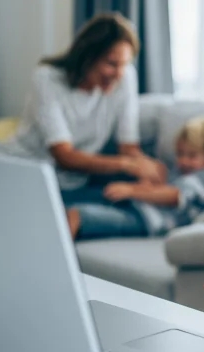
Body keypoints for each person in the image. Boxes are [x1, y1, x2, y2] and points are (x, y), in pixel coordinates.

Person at [11, 12, 167, 212]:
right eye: (111, 64)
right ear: (87, 56)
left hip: (76, 184)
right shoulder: (46, 79)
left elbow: (128, 146)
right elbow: (64, 156)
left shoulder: (126, 77)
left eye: (124, 64)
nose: (119, 74)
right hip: (31, 175)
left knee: (129, 203)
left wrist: (147, 167)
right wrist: (128, 165)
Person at [67, 116, 204, 240]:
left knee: (78, 215)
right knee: (74, 204)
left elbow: (174, 196)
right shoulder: (179, 173)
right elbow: (161, 189)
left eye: (192, 156)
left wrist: (132, 191)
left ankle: (56, 263)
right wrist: (147, 183)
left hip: (148, 221)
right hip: (135, 208)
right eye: (180, 154)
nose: (183, 161)